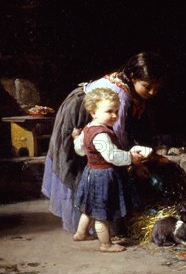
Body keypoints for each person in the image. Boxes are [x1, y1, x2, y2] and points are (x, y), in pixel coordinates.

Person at [41, 52, 166, 232]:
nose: (153, 92)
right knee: (87, 165)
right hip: (83, 111)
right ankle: (100, 226)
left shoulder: (125, 86)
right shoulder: (120, 100)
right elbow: (118, 137)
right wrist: (135, 163)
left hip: (96, 111)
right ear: (132, 77)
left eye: (157, 88)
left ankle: (87, 226)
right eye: (147, 87)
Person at [73, 87, 146, 252]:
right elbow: (112, 156)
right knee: (102, 213)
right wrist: (130, 157)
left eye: (116, 111)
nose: (114, 115)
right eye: (109, 111)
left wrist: (77, 138)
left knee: (90, 207)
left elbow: (80, 150)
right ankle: (106, 244)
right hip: (103, 176)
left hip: (91, 173)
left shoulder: (88, 128)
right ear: (93, 112)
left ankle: (81, 233)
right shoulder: (101, 135)